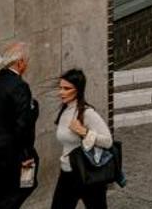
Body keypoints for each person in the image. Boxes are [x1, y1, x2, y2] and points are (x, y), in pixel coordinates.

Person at [0, 41, 39, 209]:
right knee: (23, 187)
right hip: (12, 154)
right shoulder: (19, 86)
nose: (27, 65)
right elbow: (23, 125)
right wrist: (26, 155)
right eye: (26, 61)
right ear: (20, 63)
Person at [50, 69, 112, 209]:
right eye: (60, 88)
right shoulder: (65, 111)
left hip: (87, 174)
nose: (61, 92)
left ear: (77, 90)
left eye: (66, 88)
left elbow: (108, 141)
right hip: (67, 172)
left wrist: (84, 132)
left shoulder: (87, 113)